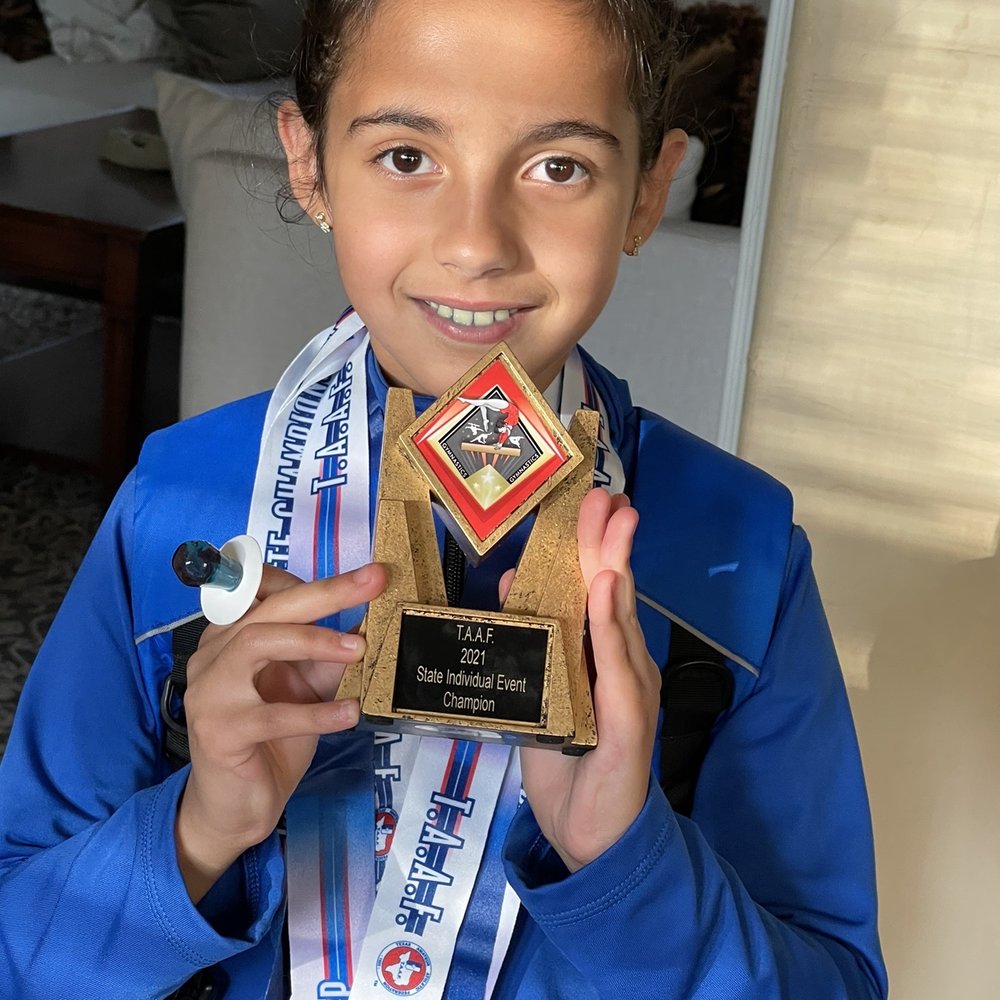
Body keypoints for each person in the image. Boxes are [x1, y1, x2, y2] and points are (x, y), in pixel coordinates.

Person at [0, 1, 889, 998]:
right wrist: (199, 833)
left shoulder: (739, 549)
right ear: (308, 162)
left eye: (559, 167)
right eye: (406, 156)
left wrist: (626, 869)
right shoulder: (177, 506)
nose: (476, 244)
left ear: (647, 191)